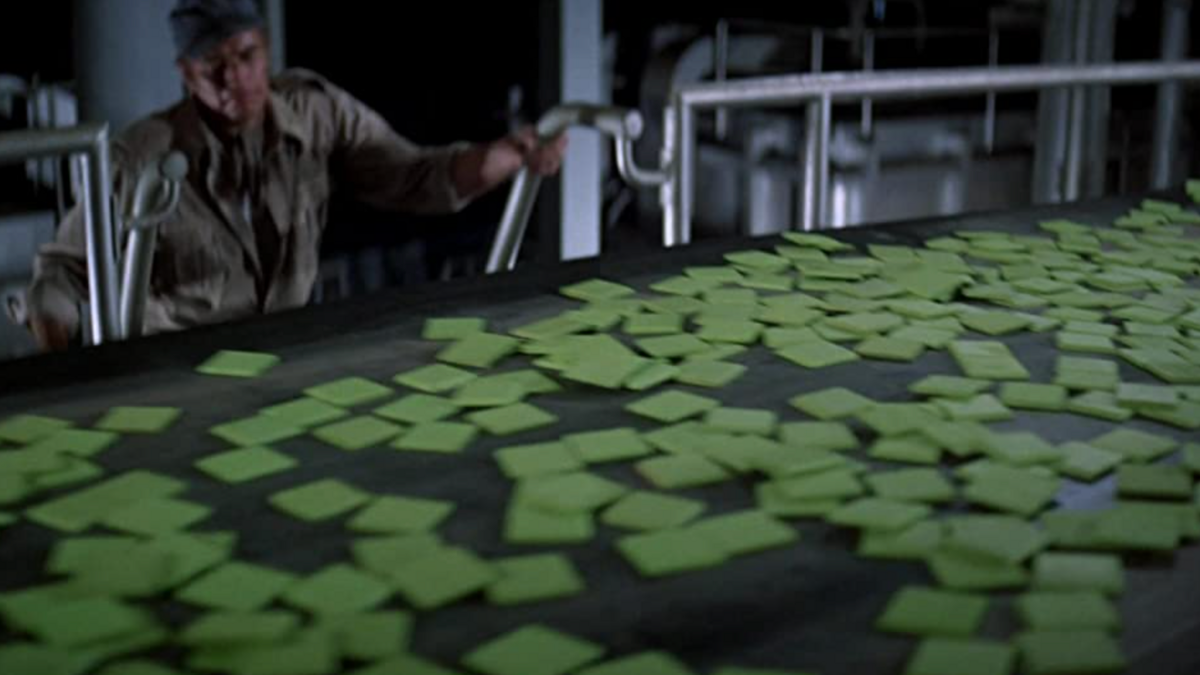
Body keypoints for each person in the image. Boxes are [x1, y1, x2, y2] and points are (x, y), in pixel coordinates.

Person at [22, 0, 566, 351]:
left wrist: (505, 157)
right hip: (179, 364)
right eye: (213, 66)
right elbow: (63, 272)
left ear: (267, 49)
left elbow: (413, 174)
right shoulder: (140, 156)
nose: (233, 77)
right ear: (187, 75)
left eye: (245, 55)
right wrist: (65, 364)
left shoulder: (314, 110)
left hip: (286, 349)